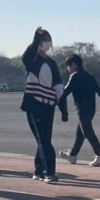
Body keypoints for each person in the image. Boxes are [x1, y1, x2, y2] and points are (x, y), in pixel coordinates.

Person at [21, 28, 68, 183]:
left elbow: (58, 86)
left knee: (44, 139)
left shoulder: (52, 63)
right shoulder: (32, 60)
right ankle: (49, 172)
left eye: (48, 41)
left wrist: (63, 109)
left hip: (49, 106)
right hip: (34, 104)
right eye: (44, 41)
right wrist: (36, 39)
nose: (47, 44)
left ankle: (39, 170)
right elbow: (26, 56)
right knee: (43, 139)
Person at [59, 54, 100, 166]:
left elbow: (65, 92)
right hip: (91, 109)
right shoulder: (90, 76)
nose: (68, 68)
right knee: (80, 132)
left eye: (69, 66)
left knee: (87, 131)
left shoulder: (74, 76)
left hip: (81, 108)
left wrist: (56, 100)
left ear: (74, 65)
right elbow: (99, 90)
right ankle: (73, 155)